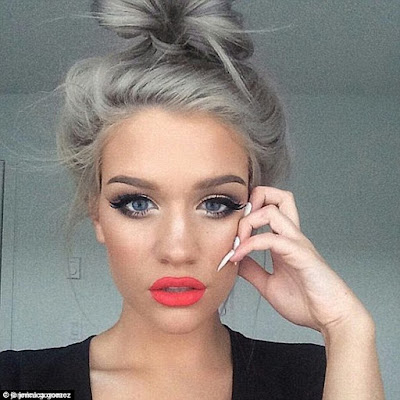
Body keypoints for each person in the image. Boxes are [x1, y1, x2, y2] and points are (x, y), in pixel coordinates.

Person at [0, 0, 384, 399]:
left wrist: (347, 327)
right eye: (137, 203)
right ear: (96, 213)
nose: (178, 250)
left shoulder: (318, 378)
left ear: (256, 212)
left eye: (216, 204)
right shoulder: (15, 384)